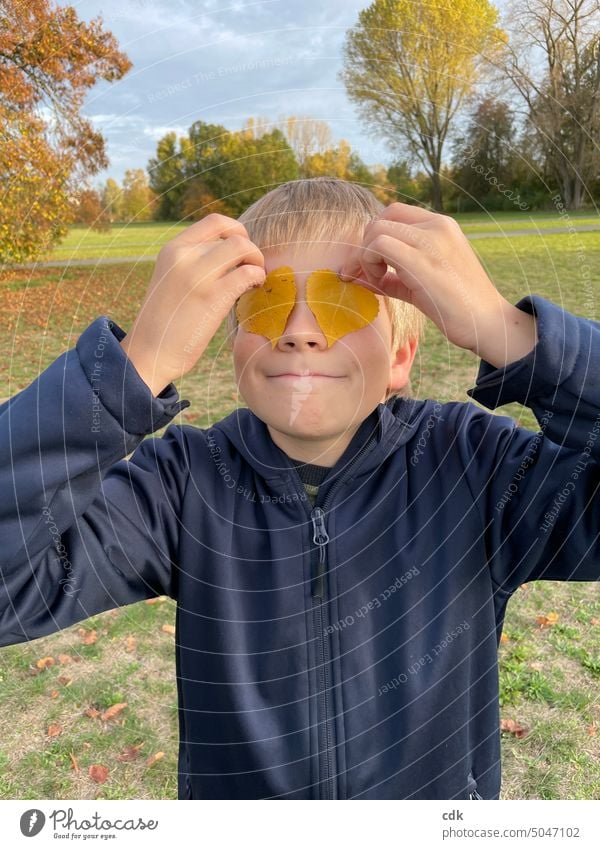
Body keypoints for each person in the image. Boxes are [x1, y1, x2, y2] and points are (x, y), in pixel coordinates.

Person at [0, 177, 598, 800]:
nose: (301, 332)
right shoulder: (181, 487)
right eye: (267, 302)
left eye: (345, 299)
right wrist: (134, 367)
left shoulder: (476, 469)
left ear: (400, 357)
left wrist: (509, 332)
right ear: (228, 344)